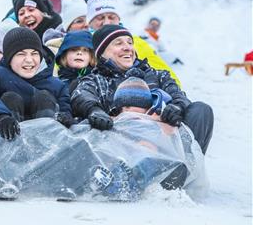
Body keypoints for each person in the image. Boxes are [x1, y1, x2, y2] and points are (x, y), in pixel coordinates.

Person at [71, 25, 213, 153]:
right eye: (118, 43)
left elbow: (178, 95)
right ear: (101, 53)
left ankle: (183, 169)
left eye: (130, 42)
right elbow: (82, 95)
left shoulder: (157, 75)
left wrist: (177, 107)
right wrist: (95, 110)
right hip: (121, 147)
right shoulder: (96, 80)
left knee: (200, 110)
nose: (127, 47)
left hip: (163, 141)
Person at [0, 27, 74, 142]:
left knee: (43, 97)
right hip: (9, 141)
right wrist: (0, 116)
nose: (29, 60)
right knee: (11, 98)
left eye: (34, 53)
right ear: (9, 57)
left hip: (47, 143)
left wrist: (65, 117)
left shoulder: (56, 85)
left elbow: (66, 110)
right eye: (21, 54)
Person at [84, 0, 180, 85]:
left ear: (119, 19)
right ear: (90, 22)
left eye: (111, 17)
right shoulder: (81, 45)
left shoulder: (136, 43)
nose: (106, 22)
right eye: (100, 18)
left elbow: (170, 79)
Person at [54, 30, 94, 94]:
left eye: (85, 50)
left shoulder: (98, 81)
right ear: (64, 55)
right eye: (74, 49)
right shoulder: (56, 84)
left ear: (91, 57)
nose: (79, 53)